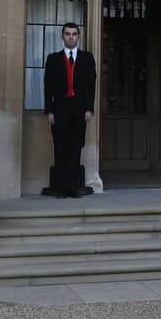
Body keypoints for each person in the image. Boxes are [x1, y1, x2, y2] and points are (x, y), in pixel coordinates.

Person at [43, 22, 97, 199]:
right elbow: (48, 86)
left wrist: (89, 108)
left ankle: (73, 187)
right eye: (67, 34)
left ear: (78, 37)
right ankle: (60, 188)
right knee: (60, 147)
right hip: (59, 109)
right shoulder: (53, 59)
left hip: (79, 110)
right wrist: (49, 110)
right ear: (62, 37)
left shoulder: (87, 58)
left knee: (75, 147)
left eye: (74, 34)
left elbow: (91, 85)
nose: (71, 37)